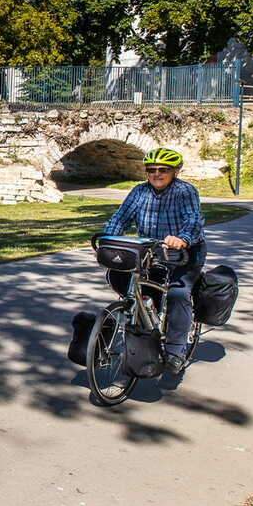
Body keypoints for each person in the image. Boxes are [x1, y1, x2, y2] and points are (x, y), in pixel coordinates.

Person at [100, 147, 205, 372]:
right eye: (151, 170)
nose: (156, 174)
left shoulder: (185, 191)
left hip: (185, 253)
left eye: (163, 170)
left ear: (175, 171)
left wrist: (182, 239)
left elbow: (193, 221)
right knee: (135, 289)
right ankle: (146, 329)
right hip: (151, 252)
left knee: (178, 294)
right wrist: (108, 238)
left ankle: (176, 351)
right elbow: (121, 218)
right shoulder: (140, 191)